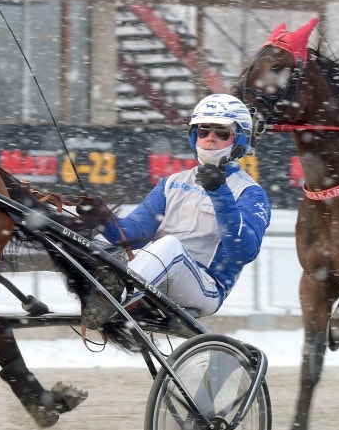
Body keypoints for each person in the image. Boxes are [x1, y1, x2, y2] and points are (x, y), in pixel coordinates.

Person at [83, 93, 271, 329]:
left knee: (169, 245)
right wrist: (102, 218)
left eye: (221, 133)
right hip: (153, 276)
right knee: (90, 245)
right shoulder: (172, 182)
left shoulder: (251, 193)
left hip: (205, 288)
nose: (210, 138)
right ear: (195, 137)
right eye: (204, 131)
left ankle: (115, 297)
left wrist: (220, 193)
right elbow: (134, 233)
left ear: (240, 140)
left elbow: (243, 252)